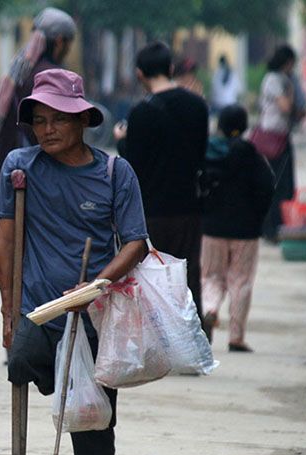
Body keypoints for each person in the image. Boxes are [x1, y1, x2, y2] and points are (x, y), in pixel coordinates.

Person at [0, 69, 149, 455]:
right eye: (39, 120)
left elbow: (137, 244)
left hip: (96, 315)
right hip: (41, 312)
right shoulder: (21, 167)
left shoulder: (113, 173)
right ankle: (59, 384)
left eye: (58, 118)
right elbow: (5, 240)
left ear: (82, 120)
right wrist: (7, 311)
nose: (47, 129)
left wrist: (98, 282)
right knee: (20, 362)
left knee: (95, 421)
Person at [115, 41, 209, 317]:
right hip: (189, 209)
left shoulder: (140, 114)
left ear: (139, 74)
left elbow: (133, 166)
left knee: (151, 281)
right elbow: (200, 155)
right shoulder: (198, 107)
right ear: (170, 68)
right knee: (188, 278)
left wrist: (122, 142)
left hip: (150, 213)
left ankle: (158, 344)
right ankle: (193, 340)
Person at [199, 105, 275, 352]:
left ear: (219, 125)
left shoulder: (208, 152)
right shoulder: (253, 156)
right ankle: (236, 337)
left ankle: (210, 308)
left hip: (212, 228)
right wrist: (258, 219)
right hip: (246, 231)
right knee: (240, 282)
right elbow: (267, 188)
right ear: (244, 127)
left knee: (211, 276)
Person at [0, 7, 76, 191]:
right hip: (39, 177)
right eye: (69, 43)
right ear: (60, 41)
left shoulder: (14, 73)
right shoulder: (52, 76)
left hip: (8, 171)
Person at [256, 45, 298, 243]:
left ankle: (278, 227)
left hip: (280, 135)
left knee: (283, 184)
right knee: (279, 184)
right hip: (274, 138)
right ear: (288, 62)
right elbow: (285, 107)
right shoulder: (275, 80)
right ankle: (273, 228)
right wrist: (291, 91)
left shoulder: (277, 79)